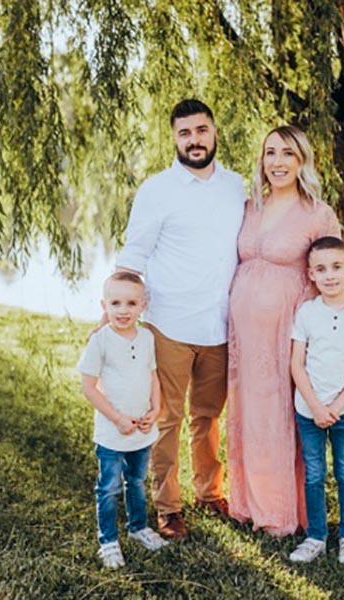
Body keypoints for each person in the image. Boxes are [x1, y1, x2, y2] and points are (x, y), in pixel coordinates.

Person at [115, 99, 246, 539]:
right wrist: (114, 305)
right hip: (169, 323)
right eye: (185, 132)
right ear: (174, 138)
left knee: (208, 416)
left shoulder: (236, 187)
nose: (194, 139)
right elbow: (134, 254)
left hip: (220, 324)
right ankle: (168, 507)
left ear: (214, 132)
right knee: (166, 418)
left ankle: (211, 493)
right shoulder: (156, 191)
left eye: (201, 130)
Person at [227, 125, 342, 536]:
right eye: (270, 153)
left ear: (301, 161)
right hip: (244, 332)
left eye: (287, 154)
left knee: (280, 414)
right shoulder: (249, 205)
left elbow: (332, 273)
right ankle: (245, 502)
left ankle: (280, 511)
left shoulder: (317, 212)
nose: (276, 162)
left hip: (287, 331)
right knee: (249, 412)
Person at [288, 236, 344, 564]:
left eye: (337, 267)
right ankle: (315, 536)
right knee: (314, 473)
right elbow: (296, 363)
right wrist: (314, 406)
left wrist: (337, 407)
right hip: (308, 410)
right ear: (311, 274)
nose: (330, 275)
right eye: (321, 269)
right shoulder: (307, 312)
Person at [78, 272, 169, 569]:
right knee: (108, 488)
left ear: (143, 305)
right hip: (112, 432)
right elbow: (88, 386)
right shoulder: (100, 341)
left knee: (137, 481)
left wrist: (155, 411)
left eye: (131, 303)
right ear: (104, 305)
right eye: (115, 303)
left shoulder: (146, 338)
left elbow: (153, 375)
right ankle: (108, 541)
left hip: (141, 430)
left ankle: (138, 527)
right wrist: (117, 419)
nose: (123, 310)